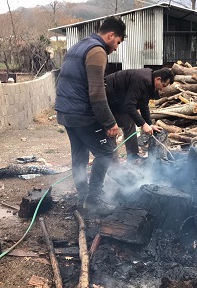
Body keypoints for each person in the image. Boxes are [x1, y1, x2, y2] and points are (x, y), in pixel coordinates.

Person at [55, 16, 126, 216]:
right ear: (111, 35)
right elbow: (96, 92)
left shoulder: (80, 46)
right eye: (118, 42)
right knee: (105, 153)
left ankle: (82, 197)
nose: (116, 48)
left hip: (66, 112)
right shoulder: (97, 51)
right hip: (81, 113)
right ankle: (94, 200)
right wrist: (110, 123)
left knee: (79, 154)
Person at [105, 68, 175, 161]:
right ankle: (113, 165)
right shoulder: (143, 80)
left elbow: (143, 104)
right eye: (163, 85)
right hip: (106, 99)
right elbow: (129, 105)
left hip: (118, 101)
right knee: (112, 129)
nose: (162, 89)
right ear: (158, 79)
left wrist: (149, 124)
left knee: (129, 123)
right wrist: (143, 124)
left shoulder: (149, 82)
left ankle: (133, 156)